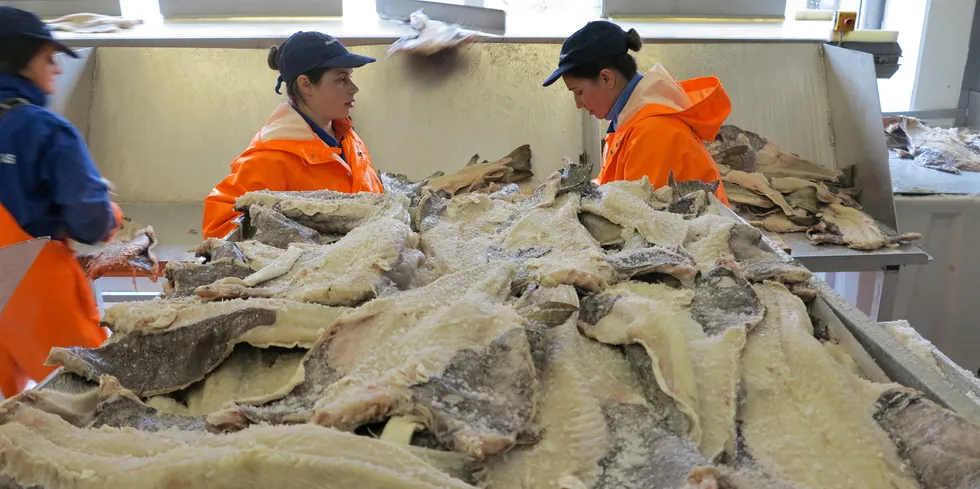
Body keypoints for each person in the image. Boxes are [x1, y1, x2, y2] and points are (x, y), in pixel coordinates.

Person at [0, 6, 123, 397]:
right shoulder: (45, 129)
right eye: (48, 58)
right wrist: (109, 210)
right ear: (19, 60)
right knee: (96, 400)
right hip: (31, 287)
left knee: (12, 421)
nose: (55, 68)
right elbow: (91, 222)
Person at [202, 31, 384, 238]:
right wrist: (305, 243)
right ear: (306, 84)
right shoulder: (271, 158)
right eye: (341, 79)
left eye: (350, 77)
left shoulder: (347, 136)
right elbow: (220, 226)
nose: (354, 88)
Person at [543, 21, 731, 205]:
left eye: (579, 92)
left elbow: (644, 219)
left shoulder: (654, 133)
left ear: (606, 78)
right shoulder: (626, 122)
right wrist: (574, 189)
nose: (578, 104)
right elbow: (613, 186)